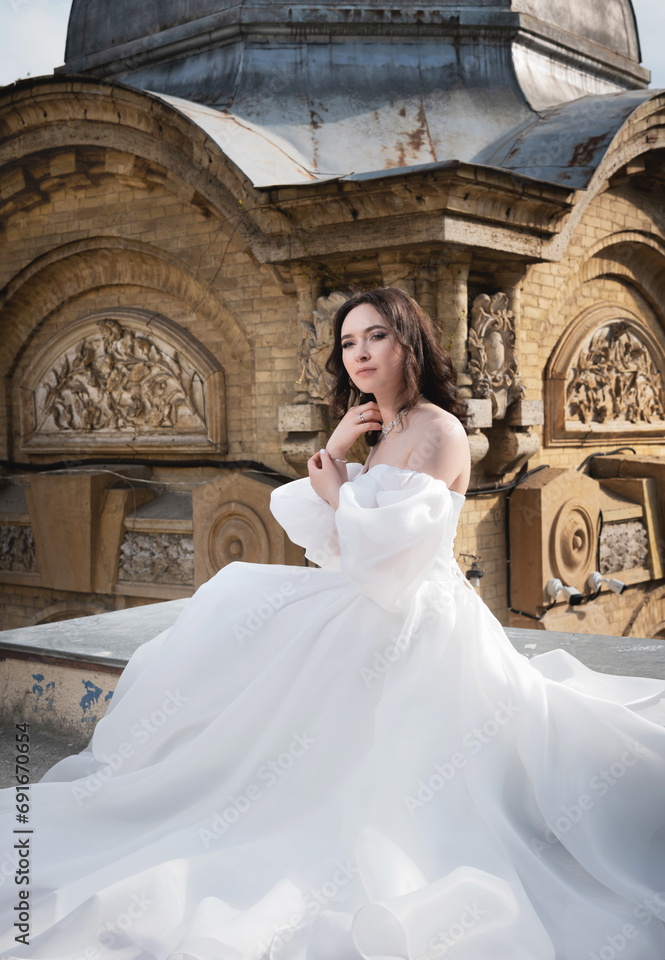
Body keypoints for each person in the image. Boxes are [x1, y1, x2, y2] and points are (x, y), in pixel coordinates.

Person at [1, 286, 665, 960]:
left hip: (412, 619)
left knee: (364, 765)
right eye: (347, 342)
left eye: (374, 336)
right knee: (235, 613)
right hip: (366, 605)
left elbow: (390, 561)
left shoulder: (435, 429)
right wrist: (341, 451)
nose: (358, 353)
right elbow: (345, 545)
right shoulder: (387, 428)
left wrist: (338, 488)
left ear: (408, 341)